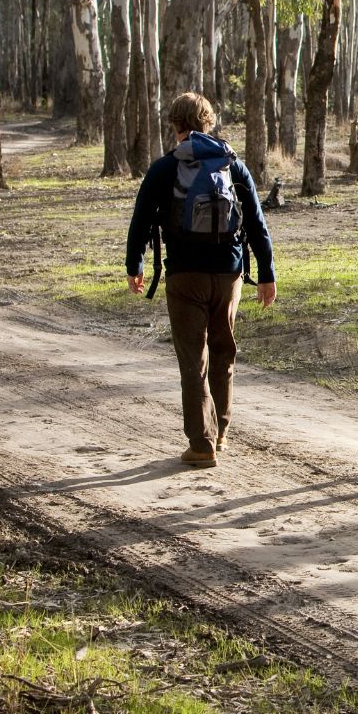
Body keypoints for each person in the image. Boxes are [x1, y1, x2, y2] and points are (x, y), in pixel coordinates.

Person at [125, 92, 277, 468]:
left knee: (194, 361)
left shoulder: (165, 168)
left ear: (176, 126)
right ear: (208, 122)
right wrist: (267, 275)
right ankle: (222, 431)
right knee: (224, 351)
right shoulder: (232, 166)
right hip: (229, 275)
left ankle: (201, 443)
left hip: (184, 275)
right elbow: (257, 224)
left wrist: (135, 264)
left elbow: (140, 220)